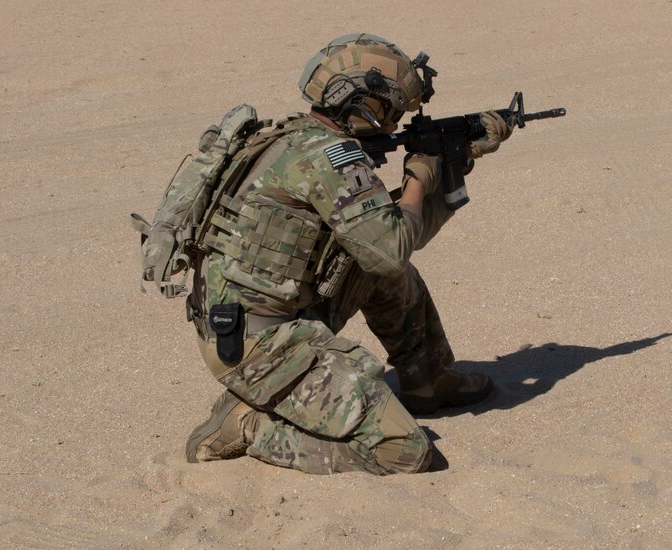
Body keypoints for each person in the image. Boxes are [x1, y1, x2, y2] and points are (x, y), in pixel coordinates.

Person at [184, 33, 513, 474]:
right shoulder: (331, 158)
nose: (396, 123)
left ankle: (427, 380)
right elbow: (393, 247)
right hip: (258, 346)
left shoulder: (296, 137)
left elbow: (386, 243)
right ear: (365, 103)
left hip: (261, 315)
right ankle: (248, 424)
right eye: (393, 110)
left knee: (385, 272)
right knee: (404, 452)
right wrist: (418, 178)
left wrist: (456, 158)